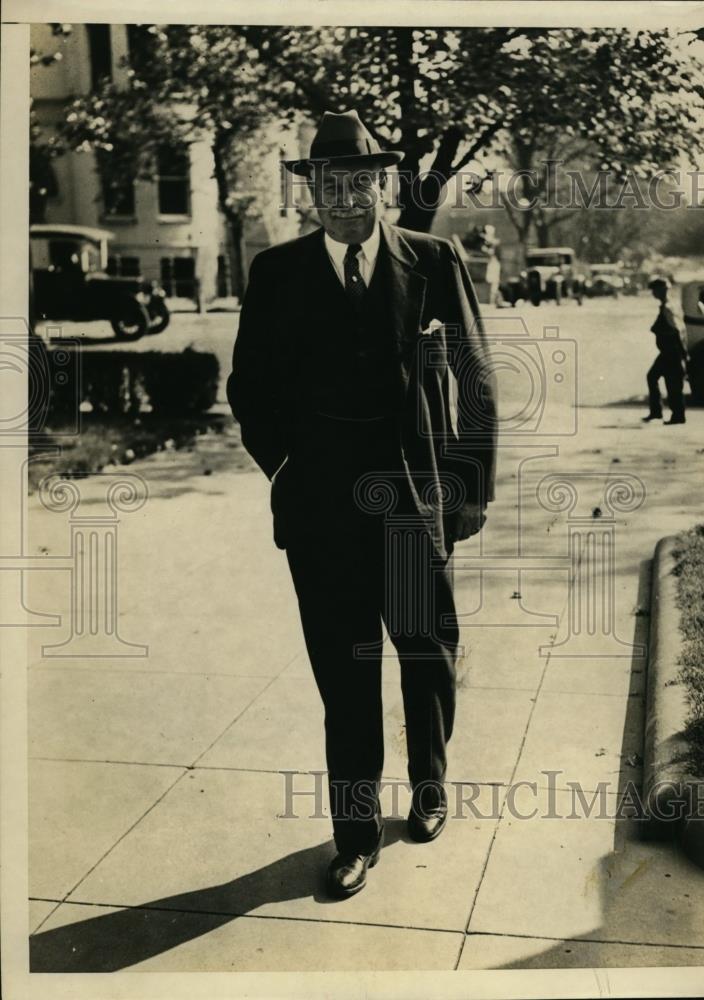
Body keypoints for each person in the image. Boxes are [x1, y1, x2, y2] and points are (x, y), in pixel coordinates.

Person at [227, 110, 498, 899]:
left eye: (361, 182)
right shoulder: (277, 274)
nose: (347, 198)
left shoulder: (434, 259)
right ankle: (354, 837)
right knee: (344, 677)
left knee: (426, 656)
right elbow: (250, 389)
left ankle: (430, 786)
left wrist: (468, 491)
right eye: (330, 185)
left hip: (413, 508)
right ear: (312, 194)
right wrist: (286, 467)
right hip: (322, 517)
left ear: (384, 185)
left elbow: (477, 383)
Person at [643, 276, 688, 425]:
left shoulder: (668, 308)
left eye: (655, 290)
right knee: (654, 377)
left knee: (672, 383)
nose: (653, 294)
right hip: (668, 351)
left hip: (671, 351)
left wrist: (683, 353)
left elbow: (677, 330)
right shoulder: (669, 306)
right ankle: (658, 412)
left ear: (662, 290)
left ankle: (677, 416)